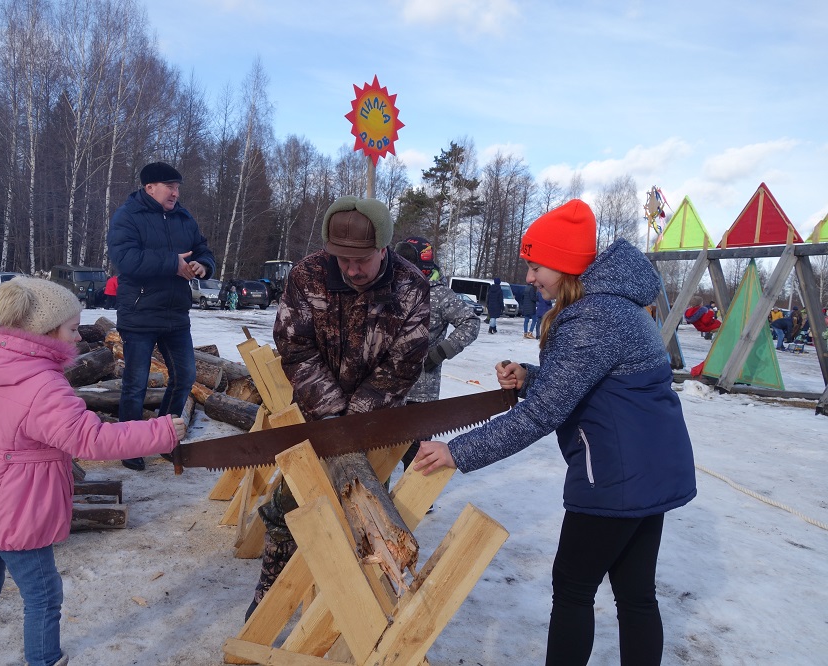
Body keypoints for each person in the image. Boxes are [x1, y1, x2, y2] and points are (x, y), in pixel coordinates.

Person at [415, 199, 696, 666]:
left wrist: (458, 451)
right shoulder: (615, 307)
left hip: (615, 479)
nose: (529, 278)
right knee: (636, 595)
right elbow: (593, 384)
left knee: (573, 589)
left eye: (536, 266)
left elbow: (542, 414)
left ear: (565, 265)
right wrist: (531, 377)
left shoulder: (593, 318)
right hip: (652, 470)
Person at [0, 277, 186, 666]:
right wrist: (161, 432)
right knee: (43, 595)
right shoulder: (42, 385)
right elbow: (91, 440)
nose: (78, 338)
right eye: (72, 328)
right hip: (18, 505)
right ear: (45, 331)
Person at [246, 196, 430, 619]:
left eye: (361, 260)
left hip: (377, 419)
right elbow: (295, 347)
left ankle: (352, 612)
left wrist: (356, 419)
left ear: (383, 247)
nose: (351, 269)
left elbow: (403, 365)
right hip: (315, 413)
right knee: (287, 509)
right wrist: (330, 415)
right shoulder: (307, 275)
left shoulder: (411, 287)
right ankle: (268, 598)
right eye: (342, 259)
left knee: (368, 514)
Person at [107, 161, 215, 471]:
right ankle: (130, 444)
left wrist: (203, 265)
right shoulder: (128, 216)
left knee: (185, 377)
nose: (175, 193)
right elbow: (125, 259)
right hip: (139, 313)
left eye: (177, 187)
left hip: (175, 314)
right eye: (170, 187)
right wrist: (171, 263)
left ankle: (164, 436)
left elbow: (202, 249)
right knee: (135, 384)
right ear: (150, 187)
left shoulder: (183, 217)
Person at [394, 237, 478, 473]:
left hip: (422, 391)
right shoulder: (394, 289)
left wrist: (440, 353)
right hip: (389, 387)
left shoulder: (440, 294)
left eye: (406, 260)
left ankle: (416, 494)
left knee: (416, 453)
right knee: (383, 448)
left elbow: (471, 323)